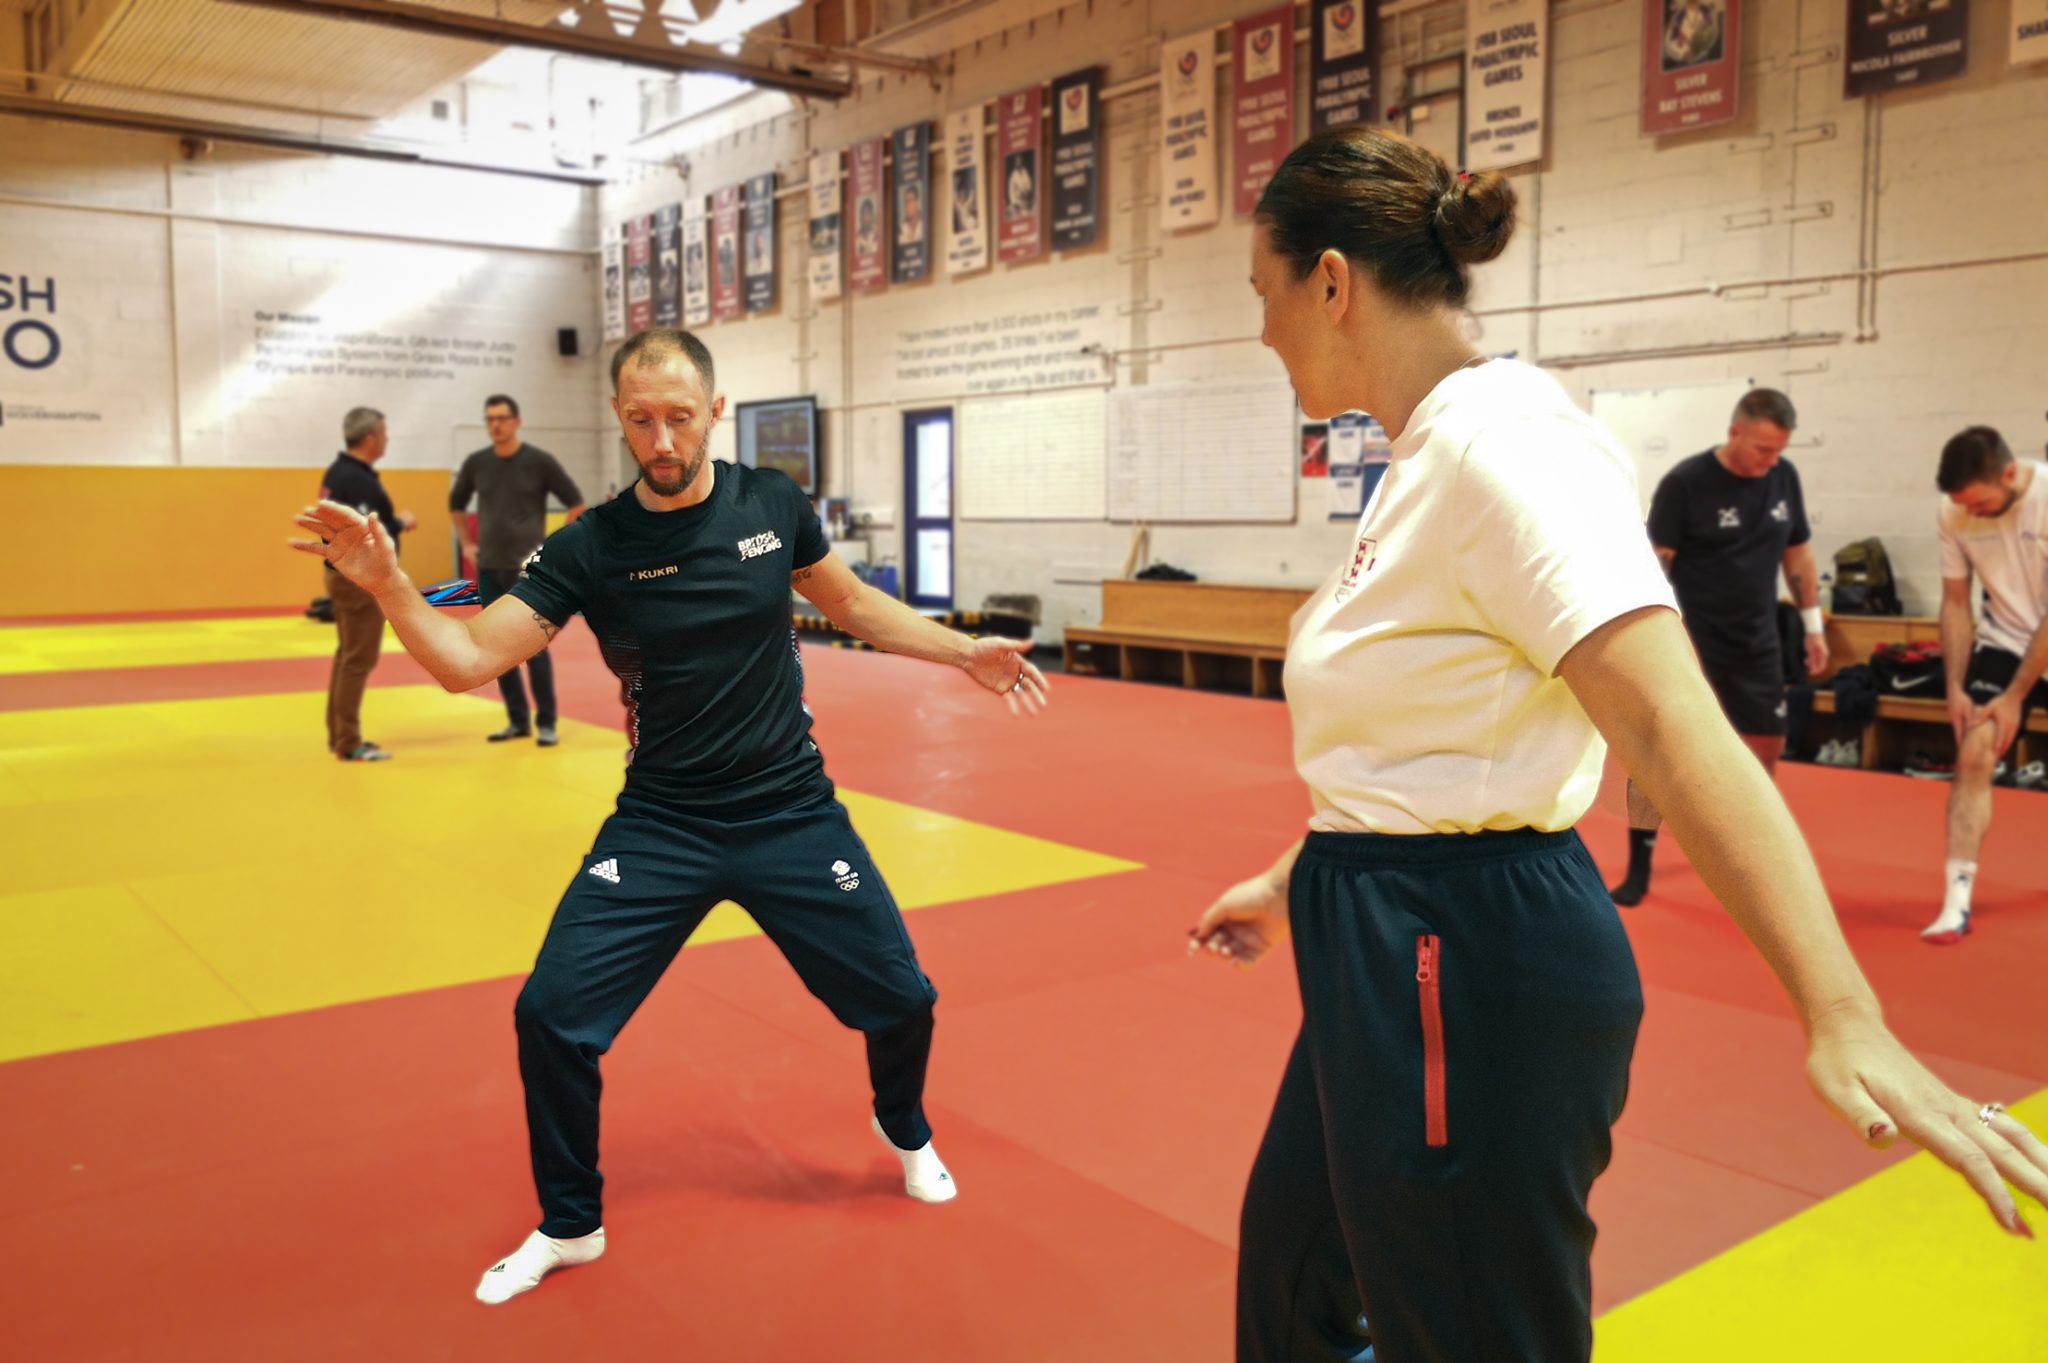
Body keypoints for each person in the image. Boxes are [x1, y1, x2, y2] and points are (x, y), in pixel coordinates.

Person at [1189, 126, 2048, 1363]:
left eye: (1262, 292)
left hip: (1464, 961)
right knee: (1295, 1289)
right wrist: (1295, 879)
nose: (1261, 328)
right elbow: (1435, 723)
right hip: (1368, 926)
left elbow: (1661, 715)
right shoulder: (1426, 457)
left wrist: (1840, 1011)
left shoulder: (1506, 450)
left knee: (1471, 1334)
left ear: (1331, 281)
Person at [291, 327, 1051, 1306]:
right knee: (551, 1017)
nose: (661, 438)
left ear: (714, 412)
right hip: (662, 822)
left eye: (679, 417)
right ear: (618, 416)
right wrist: (389, 582)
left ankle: (900, 1123)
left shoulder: (770, 505)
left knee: (903, 999)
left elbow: (853, 603)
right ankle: (570, 1223)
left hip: (790, 811)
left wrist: (963, 652)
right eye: (641, 419)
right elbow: (468, 660)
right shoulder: (592, 546)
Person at [1608, 388, 1828, 905]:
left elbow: (1798, 556)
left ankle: (1755, 855)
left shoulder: (1783, 478)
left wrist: (1814, 626)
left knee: (1766, 746)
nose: (1770, 461)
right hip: (1690, 642)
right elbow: (1654, 566)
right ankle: (1641, 859)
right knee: (1659, 755)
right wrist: (1648, 639)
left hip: (1756, 640)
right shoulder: (1687, 483)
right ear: (1734, 433)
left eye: (1778, 451)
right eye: (1761, 449)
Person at [1924, 425, 2048, 943]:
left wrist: (2016, 696)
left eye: (1980, 502)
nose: (1968, 513)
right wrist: (1956, 684)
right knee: (1975, 753)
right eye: (1962, 505)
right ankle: (1956, 901)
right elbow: (1956, 602)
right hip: (2005, 640)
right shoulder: (1953, 511)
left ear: (2010, 474)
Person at [450, 395, 587, 746]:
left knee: (532, 649)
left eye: (502, 418)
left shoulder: (539, 462)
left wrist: (552, 548)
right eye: (490, 419)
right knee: (497, 651)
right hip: (490, 568)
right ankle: (516, 721)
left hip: (527, 574)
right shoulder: (477, 463)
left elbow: (576, 503)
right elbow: (456, 504)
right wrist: (466, 542)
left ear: (516, 421)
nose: (495, 424)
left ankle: (546, 722)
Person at [316, 406, 414, 762]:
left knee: (347, 657)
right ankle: (348, 741)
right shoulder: (355, 479)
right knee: (358, 659)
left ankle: (340, 734)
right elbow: (369, 531)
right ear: (370, 438)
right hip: (357, 579)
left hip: (343, 573)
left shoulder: (340, 473)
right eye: (384, 433)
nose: (387, 439)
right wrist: (400, 523)